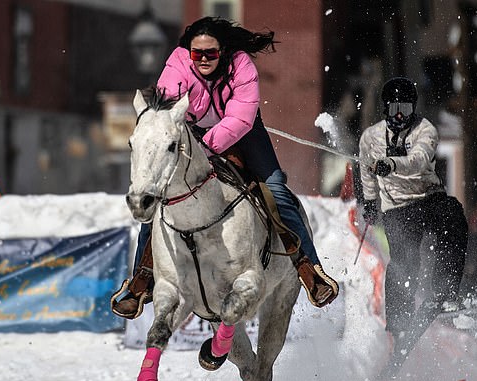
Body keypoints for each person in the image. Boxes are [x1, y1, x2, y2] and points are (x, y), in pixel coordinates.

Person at [111, 16, 339, 319]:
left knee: (275, 189)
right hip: (189, 135)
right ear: (188, 53)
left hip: (242, 131)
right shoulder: (176, 65)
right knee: (159, 196)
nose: (203, 59)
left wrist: (207, 148)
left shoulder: (242, 65)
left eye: (211, 53)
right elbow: (168, 115)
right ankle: (142, 278)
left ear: (223, 52)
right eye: (197, 54)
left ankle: (309, 268)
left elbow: (241, 119)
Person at [359, 76, 469, 379]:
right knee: (404, 262)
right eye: (394, 107)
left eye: (405, 108)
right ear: (385, 108)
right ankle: (400, 321)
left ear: (413, 108)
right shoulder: (370, 137)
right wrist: (370, 200)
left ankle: (446, 289)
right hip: (397, 207)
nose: (399, 115)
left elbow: (420, 160)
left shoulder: (425, 130)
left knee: (453, 214)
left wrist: (392, 164)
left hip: (427, 197)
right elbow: (366, 169)